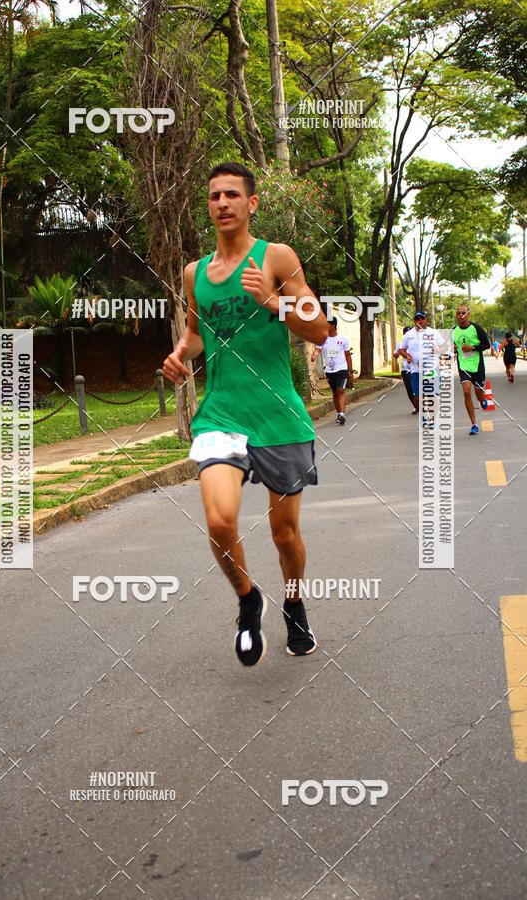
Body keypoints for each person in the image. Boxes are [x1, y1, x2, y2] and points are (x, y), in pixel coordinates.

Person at [162, 161, 330, 666]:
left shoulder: (275, 258)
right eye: (214, 196)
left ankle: (295, 604)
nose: (222, 203)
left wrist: (274, 302)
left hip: (278, 415)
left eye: (232, 194)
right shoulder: (195, 273)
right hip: (222, 415)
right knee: (219, 520)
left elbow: (320, 328)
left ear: (251, 203)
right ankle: (247, 598)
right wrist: (180, 354)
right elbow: (196, 335)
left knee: (285, 535)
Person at [395, 311, 441, 420]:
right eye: (417, 319)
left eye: (422, 318)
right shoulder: (409, 335)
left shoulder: (434, 333)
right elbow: (401, 349)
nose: (419, 321)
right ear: (414, 321)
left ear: (426, 320)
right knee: (416, 398)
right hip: (416, 371)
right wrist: (407, 356)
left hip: (431, 370)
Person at [452, 304, 490, 435]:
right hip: (464, 367)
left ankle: (482, 398)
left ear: (468, 314)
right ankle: (474, 424)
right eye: (458, 313)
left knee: (479, 393)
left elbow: (487, 345)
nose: (461, 315)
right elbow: (448, 346)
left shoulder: (476, 328)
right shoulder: (453, 330)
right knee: (466, 391)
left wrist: (472, 348)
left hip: (477, 366)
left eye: (463, 312)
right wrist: (452, 349)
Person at [311, 316, 354, 424]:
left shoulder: (343, 339)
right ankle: (338, 413)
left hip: (342, 369)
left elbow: (348, 355)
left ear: (333, 325)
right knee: (335, 393)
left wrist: (350, 370)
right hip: (330, 371)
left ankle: (342, 414)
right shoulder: (323, 339)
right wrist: (314, 356)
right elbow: (317, 350)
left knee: (341, 390)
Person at [394, 325, 416, 412]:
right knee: (409, 389)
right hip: (405, 370)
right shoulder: (400, 344)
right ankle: (416, 406)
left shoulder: (416, 342)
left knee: (417, 388)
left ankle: (421, 405)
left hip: (416, 369)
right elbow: (395, 355)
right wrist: (398, 353)